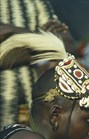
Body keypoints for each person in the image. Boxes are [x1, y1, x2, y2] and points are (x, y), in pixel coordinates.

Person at [0, 0, 72, 130]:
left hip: (32, 108)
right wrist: (42, 38)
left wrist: (12, 32)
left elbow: (64, 45)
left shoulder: (37, 3)